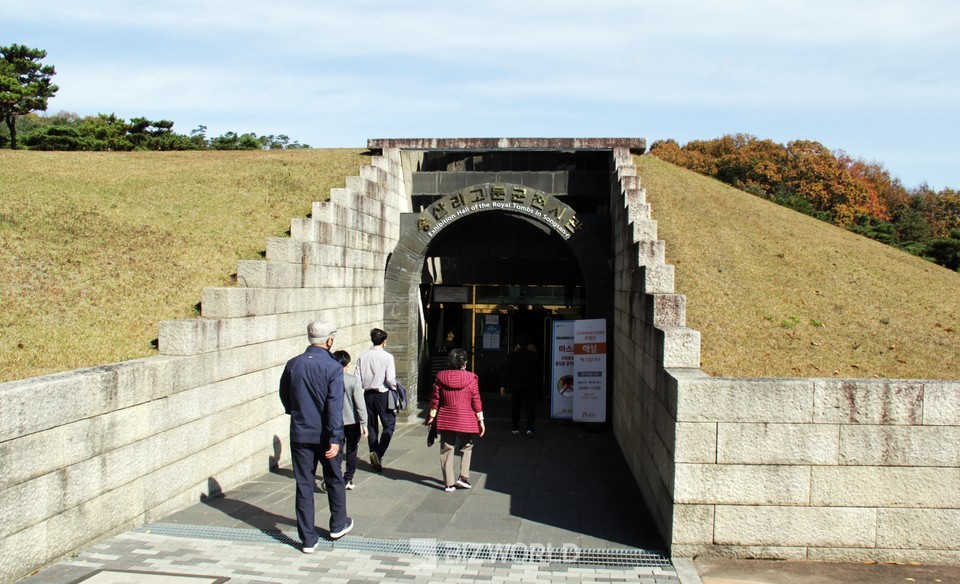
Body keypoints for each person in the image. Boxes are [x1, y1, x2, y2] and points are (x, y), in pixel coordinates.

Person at [278, 320, 353, 553]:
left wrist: (296, 413)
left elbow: (285, 395)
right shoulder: (332, 367)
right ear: (329, 340)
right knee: (334, 478)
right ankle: (337, 524)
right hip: (325, 435)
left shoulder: (293, 364)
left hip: (300, 432)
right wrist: (335, 437)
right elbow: (334, 405)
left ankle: (308, 539)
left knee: (304, 484)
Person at [426, 348, 485, 492]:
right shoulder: (471, 378)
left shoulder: (441, 376)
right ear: (464, 362)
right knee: (466, 446)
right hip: (466, 418)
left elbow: (436, 399)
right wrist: (480, 419)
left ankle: (448, 483)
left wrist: (432, 416)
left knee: (447, 448)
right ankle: (463, 477)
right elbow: (476, 399)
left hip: (446, 417)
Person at [356, 328, 397, 472]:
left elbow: (357, 378)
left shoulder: (362, 356)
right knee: (389, 425)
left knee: (371, 426)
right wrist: (395, 388)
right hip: (383, 394)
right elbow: (390, 379)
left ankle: (374, 454)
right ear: (384, 341)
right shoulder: (387, 357)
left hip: (368, 394)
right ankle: (378, 453)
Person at [332, 350, 368, 491]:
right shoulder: (353, 380)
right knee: (352, 450)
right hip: (352, 421)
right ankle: (348, 478)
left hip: (335, 421)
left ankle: (336, 477)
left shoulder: (329, 379)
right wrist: (364, 423)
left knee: (337, 450)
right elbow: (360, 404)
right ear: (346, 365)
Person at [503, 332, 542, 437]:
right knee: (530, 408)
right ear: (528, 343)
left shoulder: (512, 356)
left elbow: (507, 371)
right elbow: (539, 370)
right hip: (530, 385)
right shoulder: (534, 356)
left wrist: (505, 384)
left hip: (516, 385)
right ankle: (530, 428)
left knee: (515, 407)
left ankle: (515, 427)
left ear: (518, 343)